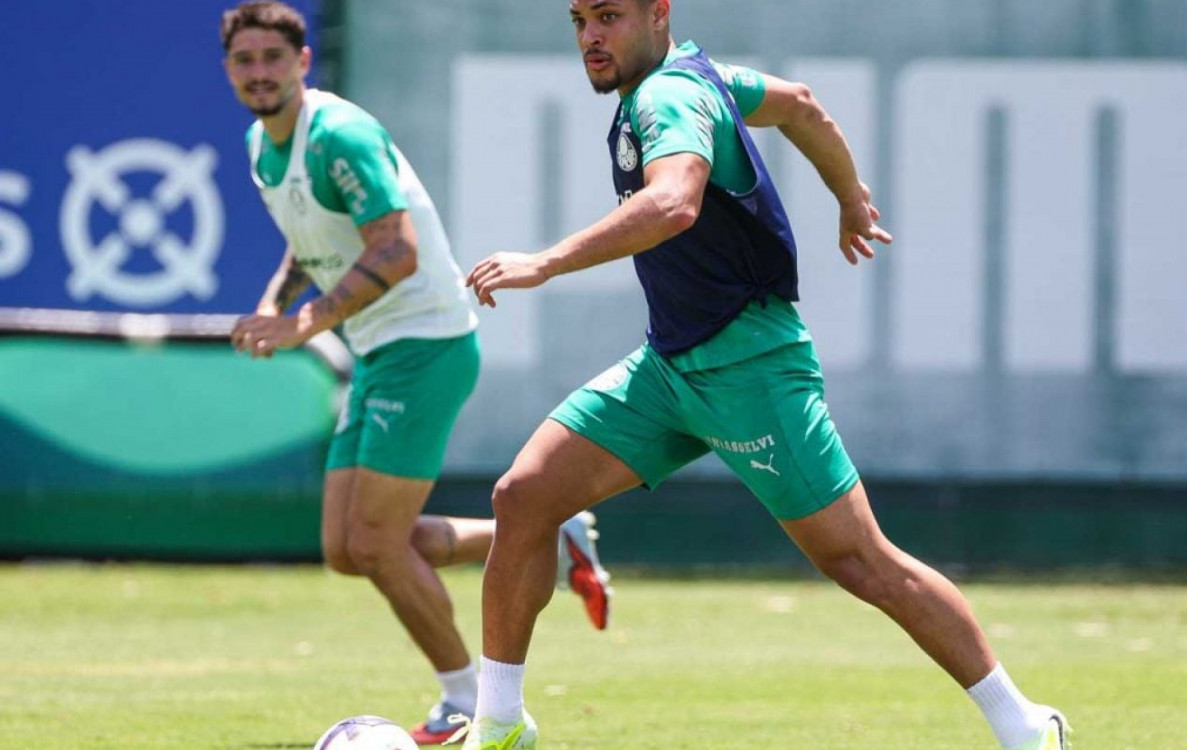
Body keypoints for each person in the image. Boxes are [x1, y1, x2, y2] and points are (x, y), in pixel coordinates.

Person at [458, 1, 1070, 749]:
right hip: (668, 366)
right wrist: (849, 198)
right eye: (579, 18)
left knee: (859, 561)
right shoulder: (703, 76)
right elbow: (801, 106)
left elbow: (674, 202)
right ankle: (497, 725)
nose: (589, 36)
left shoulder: (668, 95)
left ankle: (1026, 726)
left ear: (658, 14)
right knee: (524, 497)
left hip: (750, 368)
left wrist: (544, 261)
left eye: (609, 16)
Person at [219, 3, 612, 744]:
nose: (260, 72)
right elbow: (315, 241)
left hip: (424, 343)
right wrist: (274, 304)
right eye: (246, 61)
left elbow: (394, 250)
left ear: (303, 64)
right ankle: (551, 541)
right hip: (376, 349)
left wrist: (303, 324)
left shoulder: (339, 135)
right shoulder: (259, 146)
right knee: (348, 547)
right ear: (230, 70)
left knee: (375, 543)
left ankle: (468, 699)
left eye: (274, 57)